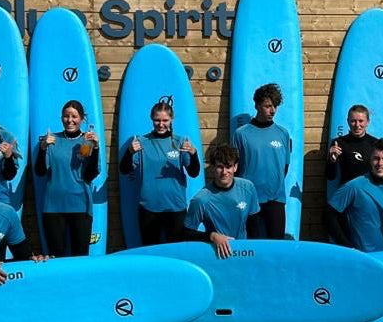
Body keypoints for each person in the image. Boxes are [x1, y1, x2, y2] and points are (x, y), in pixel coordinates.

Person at [118, 98, 201, 245]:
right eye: (157, 120)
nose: (161, 124)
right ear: (151, 119)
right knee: (151, 254)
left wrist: (194, 154)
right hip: (149, 209)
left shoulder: (180, 142)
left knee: (176, 253)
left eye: (165, 120)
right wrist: (129, 152)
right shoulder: (142, 142)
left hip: (176, 208)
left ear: (171, 119)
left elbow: (194, 173)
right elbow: (124, 170)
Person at [34, 99, 100, 256]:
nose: (70, 120)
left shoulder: (88, 141)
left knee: (80, 255)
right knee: (56, 255)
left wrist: (96, 148)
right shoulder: (52, 140)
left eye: (74, 116)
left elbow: (90, 175)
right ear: (61, 118)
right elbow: (40, 172)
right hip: (53, 206)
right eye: (66, 116)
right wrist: (43, 149)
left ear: (82, 119)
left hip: (81, 205)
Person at [232, 83, 291, 239]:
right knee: (255, 247)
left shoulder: (282, 133)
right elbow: (235, 169)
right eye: (268, 106)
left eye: (275, 106)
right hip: (251, 200)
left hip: (276, 200)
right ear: (257, 105)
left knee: (276, 247)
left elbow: (284, 167)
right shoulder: (241, 134)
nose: (272, 111)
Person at [181, 142, 261, 258]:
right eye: (220, 167)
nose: (224, 172)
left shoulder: (248, 188)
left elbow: (254, 224)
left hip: (243, 252)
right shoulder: (201, 199)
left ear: (235, 167)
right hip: (217, 254)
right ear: (213, 167)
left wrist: (254, 253)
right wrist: (212, 236)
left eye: (228, 167)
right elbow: (186, 233)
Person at [323, 104, 377, 246]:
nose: (357, 125)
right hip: (347, 198)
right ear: (348, 121)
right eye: (353, 121)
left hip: (369, 197)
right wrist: (332, 160)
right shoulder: (339, 143)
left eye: (361, 121)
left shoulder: (375, 144)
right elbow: (330, 176)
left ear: (367, 122)